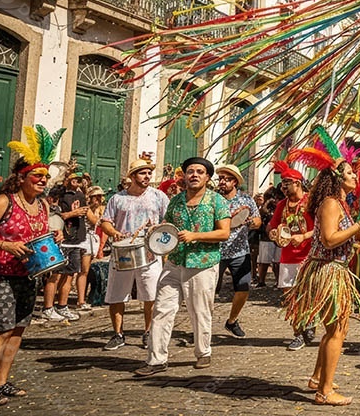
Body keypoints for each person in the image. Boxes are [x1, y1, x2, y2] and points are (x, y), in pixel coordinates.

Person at [0, 126, 64, 406]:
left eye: (46, 177)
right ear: (22, 178)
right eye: (38, 176)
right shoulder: (3, 202)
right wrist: (5, 245)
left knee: (18, 328)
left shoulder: (42, 205)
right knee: (1, 329)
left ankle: (2, 381)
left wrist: (55, 235)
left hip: (26, 274)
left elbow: (38, 235)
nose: (43, 181)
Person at [283, 135, 360, 406]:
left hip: (332, 269)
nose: (355, 175)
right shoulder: (330, 203)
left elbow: (340, 235)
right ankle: (325, 391)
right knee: (337, 330)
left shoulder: (340, 204)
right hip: (327, 271)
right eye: (350, 172)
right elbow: (328, 239)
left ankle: (317, 377)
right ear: (338, 178)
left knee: (334, 329)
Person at [135, 157, 229, 376]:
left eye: (199, 172)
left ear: (207, 177)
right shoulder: (176, 201)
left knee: (200, 311)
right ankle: (156, 359)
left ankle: (203, 352)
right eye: (190, 171)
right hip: (175, 262)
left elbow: (224, 233)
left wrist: (196, 236)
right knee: (162, 309)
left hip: (202, 263)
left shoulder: (216, 201)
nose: (194, 175)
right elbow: (169, 228)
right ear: (184, 176)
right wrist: (157, 233)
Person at [100, 158, 168, 351]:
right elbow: (105, 221)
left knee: (151, 295)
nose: (147, 176)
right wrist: (114, 233)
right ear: (132, 176)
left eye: (148, 172)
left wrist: (159, 228)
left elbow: (169, 219)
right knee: (117, 295)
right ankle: (118, 334)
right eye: (142, 172)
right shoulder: (117, 199)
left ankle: (148, 332)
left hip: (150, 253)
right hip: (122, 252)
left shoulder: (159, 196)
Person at [267, 159, 316, 350]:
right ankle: (298, 333)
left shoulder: (312, 202)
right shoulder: (281, 205)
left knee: (308, 295)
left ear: (297, 182)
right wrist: (272, 233)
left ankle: (310, 321)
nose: (284, 187)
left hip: (309, 257)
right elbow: (272, 225)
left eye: (287, 183)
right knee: (291, 298)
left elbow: (322, 228)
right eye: (282, 183)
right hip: (287, 258)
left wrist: (304, 235)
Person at [214, 164, 260, 339]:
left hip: (240, 251)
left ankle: (232, 321)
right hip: (216, 251)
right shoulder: (213, 199)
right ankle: (202, 326)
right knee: (209, 292)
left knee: (243, 288)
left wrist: (253, 223)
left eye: (226, 179)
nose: (222, 182)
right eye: (221, 178)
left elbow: (257, 219)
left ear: (235, 182)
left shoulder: (246, 200)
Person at [40, 170, 87, 322]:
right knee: (55, 275)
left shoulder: (80, 195)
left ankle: (62, 306)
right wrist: (74, 213)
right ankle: (48, 308)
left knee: (70, 274)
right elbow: (55, 217)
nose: (77, 181)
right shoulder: (56, 197)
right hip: (60, 240)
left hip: (75, 239)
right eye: (74, 178)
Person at [75, 185, 104, 310]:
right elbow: (95, 221)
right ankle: (80, 300)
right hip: (84, 240)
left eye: (100, 196)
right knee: (83, 270)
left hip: (92, 240)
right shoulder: (87, 209)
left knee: (85, 271)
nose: (98, 199)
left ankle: (82, 298)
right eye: (95, 196)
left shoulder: (100, 209)